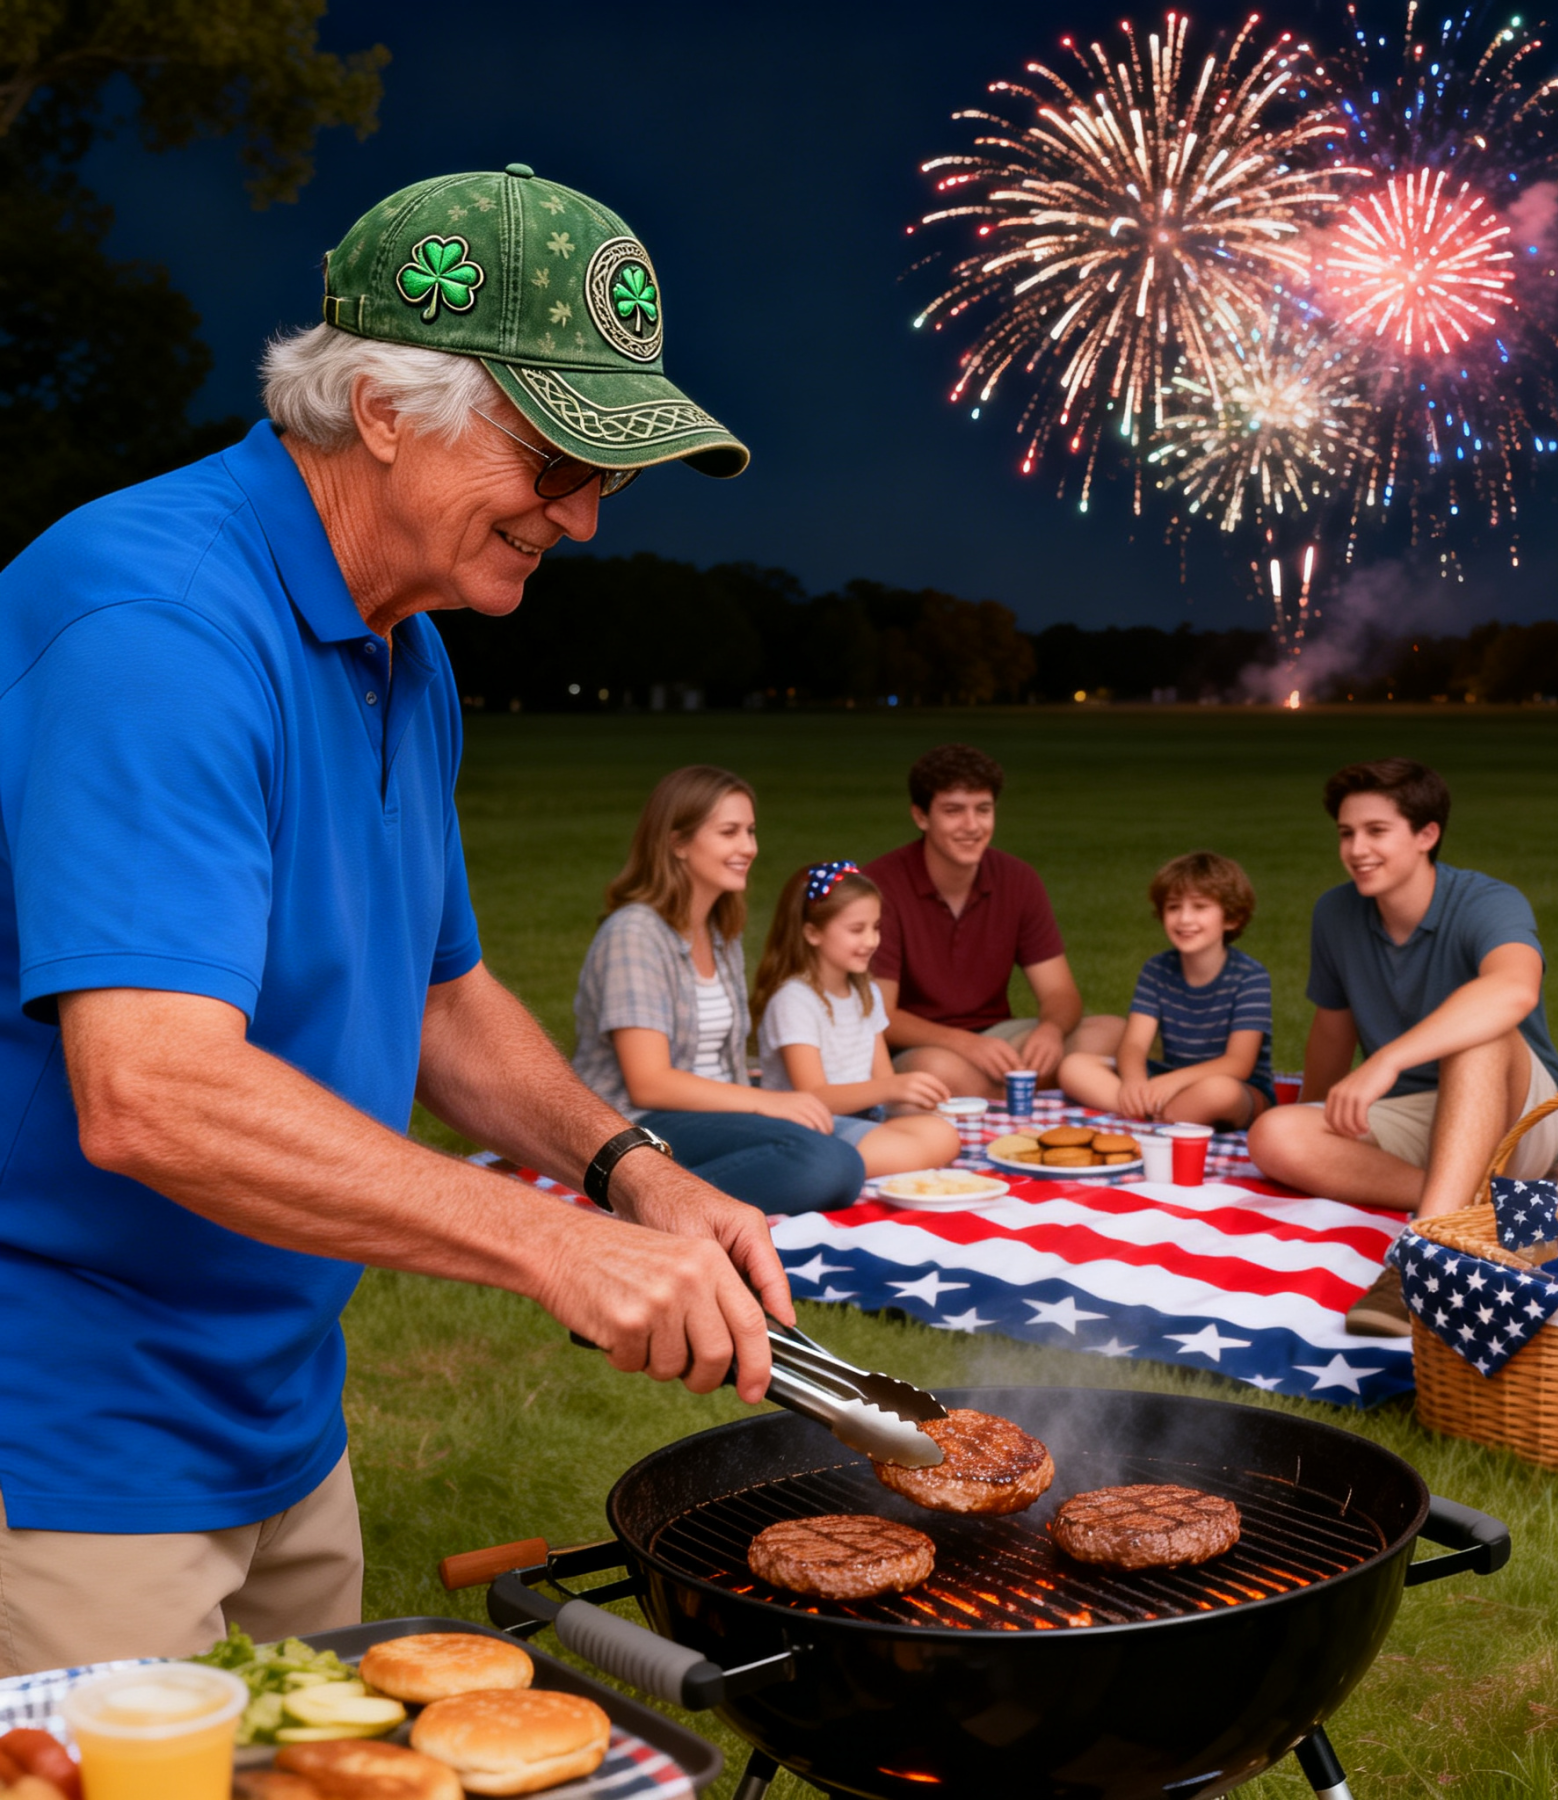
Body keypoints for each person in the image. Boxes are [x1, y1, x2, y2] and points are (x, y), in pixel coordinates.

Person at [0, 167, 797, 1677]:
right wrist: (540, 1246)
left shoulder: (400, 639)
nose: (584, 517)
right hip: (72, 1432)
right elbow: (149, 1091)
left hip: (281, 1404)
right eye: (556, 457)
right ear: (379, 407)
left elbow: (440, 997)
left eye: (608, 473)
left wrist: (633, 1174)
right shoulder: (152, 624)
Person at [1247, 759, 1558, 1337]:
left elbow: (1514, 989)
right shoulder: (1336, 911)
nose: (1356, 849)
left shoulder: (1486, 901)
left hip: (1520, 1112)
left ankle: (1427, 1253)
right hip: (1418, 1114)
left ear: (1427, 835)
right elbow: (1331, 1027)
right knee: (1273, 1133)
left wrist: (1387, 1060)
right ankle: (1489, 1206)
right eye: (1347, 833)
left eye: (1376, 831)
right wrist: (1315, 1115)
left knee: (1481, 1033)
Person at [573, 769, 867, 1214]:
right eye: (729, 832)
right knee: (828, 1163)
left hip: (713, 1116)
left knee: (839, 1158)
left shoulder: (721, 933)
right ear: (677, 843)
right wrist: (767, 1103)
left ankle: (671, 1198)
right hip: (636, 1124)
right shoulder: (635, 933)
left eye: (750, 831)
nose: (748, 847)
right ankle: (640, 1206)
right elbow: (649, 1082)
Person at [866, 744, 1123, 1100]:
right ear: (921, 816)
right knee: (937, 1072)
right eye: (954, 811)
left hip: (1001, 1039)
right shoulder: (881, 886)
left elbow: (1059, 992)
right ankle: (1034, 1088)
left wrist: (1050, 1030)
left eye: (983, 810)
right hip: (923, 1047)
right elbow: (882, 1016)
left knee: (1114, 1032)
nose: (971, 826)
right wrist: (965, 1044)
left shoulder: (1018, 879)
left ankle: (1005, 1090)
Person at [750, 862, 963, 1177]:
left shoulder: (866, 993)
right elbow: (814, 1094)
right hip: (810, 1127)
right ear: (812, 932)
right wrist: (892, 1088)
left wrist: (911, 1097)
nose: (871, 941)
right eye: (856, 929)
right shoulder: (794, 1000)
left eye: (875, 927)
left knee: (942, 1131)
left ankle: (868, 1162)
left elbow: (882, 1080)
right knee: (914, 1144)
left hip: (865, 1121)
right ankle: (828, 1168)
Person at [1060, 852, 1275, 1127]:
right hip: (1169, 1080)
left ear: (1231, 918)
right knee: (1074, 1066)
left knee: (1220, 1092)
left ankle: (1150, 1115)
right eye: (1174, 907)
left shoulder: (1250, 976)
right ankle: (1156, 1114)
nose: (1184, 919)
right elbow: (1135, 1044)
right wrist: (1134, 1081)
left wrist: (1170, 1082)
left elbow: (1238, 1063)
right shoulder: (1156, 970)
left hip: (1238, 1088)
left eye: (1199, 907)